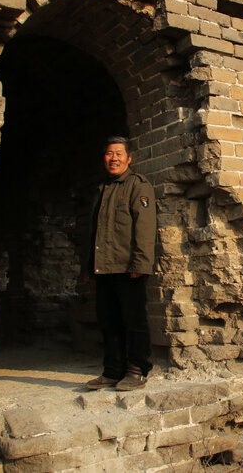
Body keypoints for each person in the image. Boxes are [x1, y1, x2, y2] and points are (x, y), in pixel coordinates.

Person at [85, 136, 156, 391]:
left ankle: (137, 370)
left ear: (129, 158)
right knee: (108, 321)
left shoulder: (138, 186)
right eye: (109, 153)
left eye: (118, 153)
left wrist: (140, 264)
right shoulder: (102, 189)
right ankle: (112, 371)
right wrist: (88, 266)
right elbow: (95, 230)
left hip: (129, 269)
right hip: (104, 268)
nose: (113, 158)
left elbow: (145, 228)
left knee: (133, 321)